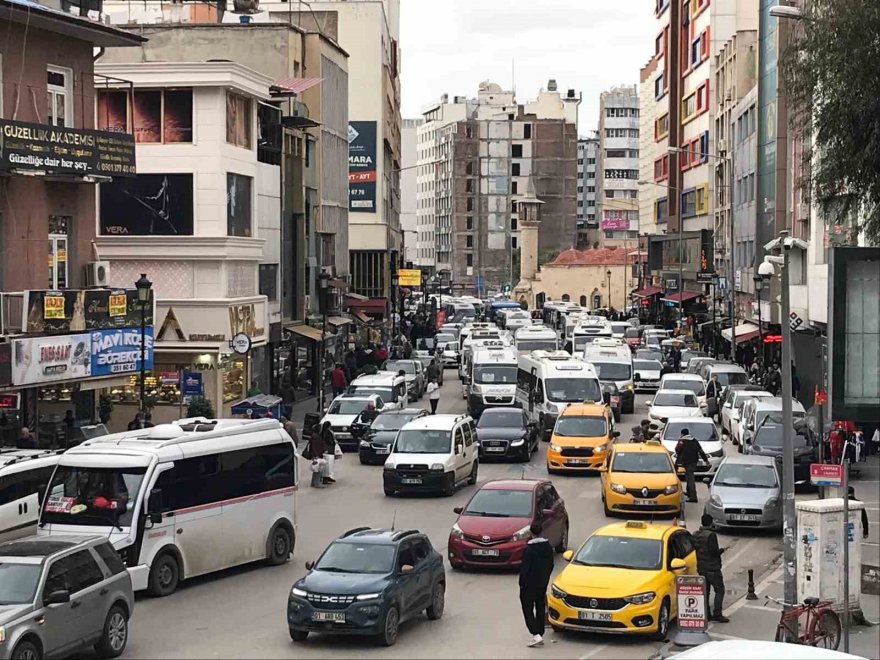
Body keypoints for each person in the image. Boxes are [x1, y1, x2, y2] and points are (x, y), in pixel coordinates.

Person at [518, 521, 554, 647]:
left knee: (527, 608)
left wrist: (522, 584)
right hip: (542, 583)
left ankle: (535, 633)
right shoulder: (548, 547)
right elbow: (551, 565)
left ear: (531, 533)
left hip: (529, 585)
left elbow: (525, 570)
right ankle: (540, 631)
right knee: (539, 606)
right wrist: (545, 578)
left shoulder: (529, 550)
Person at [693, 514, 728, 622]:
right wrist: (722, 550)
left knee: (706, 591)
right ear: (710, 522)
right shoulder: (711, 535)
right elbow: (714, 552)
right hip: (712, 568)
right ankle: (717, 613)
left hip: (702, 567)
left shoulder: (696, 534)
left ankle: (706, 613)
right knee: (719, 590)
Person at [675, 429, 709, 503]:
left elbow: (677, 450)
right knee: (688, 476)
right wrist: (706, 460)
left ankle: (693, 497)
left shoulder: (682, 441)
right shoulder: (694, 440)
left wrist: (679, 441)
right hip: (693, 461)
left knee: (690, 478)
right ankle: (689, 493)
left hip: (686, 462)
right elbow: (701, 451)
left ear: (682, 434)